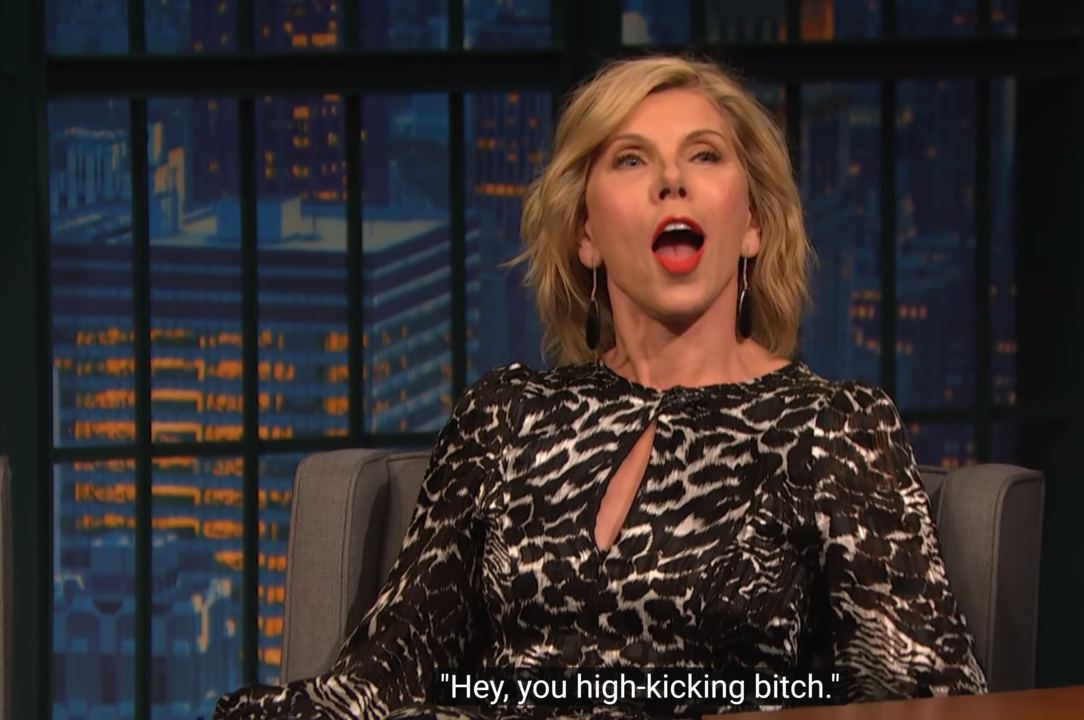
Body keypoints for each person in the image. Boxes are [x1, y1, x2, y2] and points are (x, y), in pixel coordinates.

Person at [213, 53, 988, 720]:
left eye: (704, 155)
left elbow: (929, 693)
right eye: (631, 160)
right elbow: (387, 675)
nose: (672, 182)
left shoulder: (830, 426)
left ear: (752, 222)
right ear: (585, 233)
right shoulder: (506, 417)